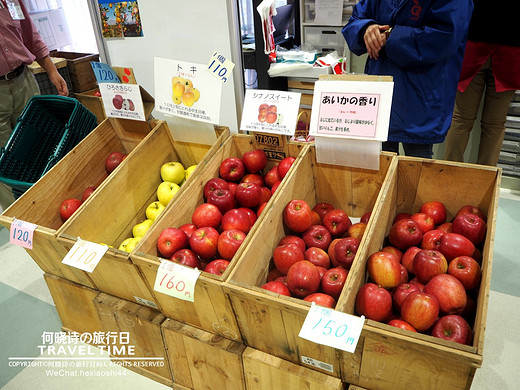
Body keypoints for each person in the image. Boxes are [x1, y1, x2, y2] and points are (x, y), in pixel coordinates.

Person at [342, 0, 473, 158]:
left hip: (420, 96)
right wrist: (365, 29)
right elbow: (356, 19)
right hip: (381, 93)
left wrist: (391, 35)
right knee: (378, 171)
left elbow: (445, 36)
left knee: (416, 170)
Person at [0, 0, 68, 210]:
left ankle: (51, 208)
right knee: (3, 161)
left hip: (24, 79)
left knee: (38, 144)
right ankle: (22, 220)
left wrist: (52, 70)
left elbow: (31, 34)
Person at [443, 0, 520, 166]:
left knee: (462, 119)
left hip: (474, 44)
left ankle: (449, 176)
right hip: (509, 50)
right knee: (494, 124)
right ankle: (485, 181)